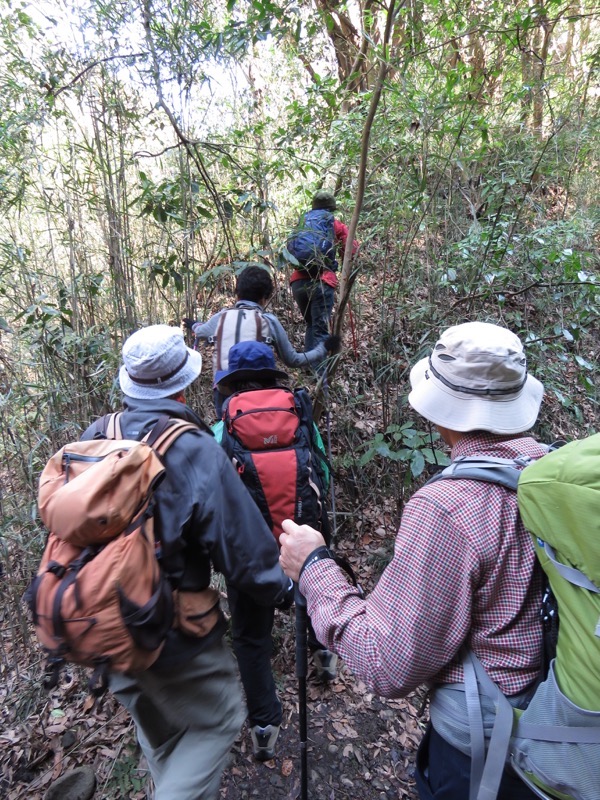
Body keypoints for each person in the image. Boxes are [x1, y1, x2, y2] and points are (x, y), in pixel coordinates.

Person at [278, 321, 547, 800]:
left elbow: (388, 663)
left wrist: (315, 567)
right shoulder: (555, 470)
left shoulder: (448, 507)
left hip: (486, 756)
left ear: (443, 410)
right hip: (561, 729)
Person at [80, 325, 292, 800]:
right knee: (218, 722)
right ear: (183, 383)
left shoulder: (97, 434)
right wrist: (285, 589)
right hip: (172, 633)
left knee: (161, 735)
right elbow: (242, 551)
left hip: (101, 624)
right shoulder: (193, 447)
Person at [212, 340, 338, 761]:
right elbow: (320, 467)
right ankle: (324, 659)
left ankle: (265, 727)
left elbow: (216, 489)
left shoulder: (224, 423)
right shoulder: (299, 410)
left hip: (250, 552)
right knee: (316, 597)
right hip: (303, 534)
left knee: (250, 638)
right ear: (272, 375)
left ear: (231, 383)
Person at [182, 265, 339, 417]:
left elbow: (200, 331)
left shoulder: (220, 318)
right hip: (258, 395)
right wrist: (323, 348)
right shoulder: (268, 321)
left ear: (237, 294)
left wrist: (193, 324)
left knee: (226, 432)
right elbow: (293, 360)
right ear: (265, 299)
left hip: (224, 391)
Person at [288, 190, 359, 350]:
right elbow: (352, 250)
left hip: (298, 283)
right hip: (322, 281)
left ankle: (308, 367)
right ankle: (320, 374)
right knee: (320, 331)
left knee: (312, 325)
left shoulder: (302, 223)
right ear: (331, 209)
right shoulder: (333, 223)